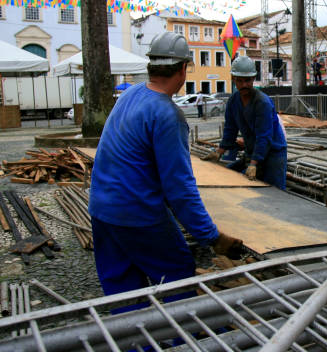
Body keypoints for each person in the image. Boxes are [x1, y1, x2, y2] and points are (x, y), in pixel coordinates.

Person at [88, 32, 242, 312]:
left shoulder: (131, 94)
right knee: (176, 272)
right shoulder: (167, 115)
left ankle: (134, 340)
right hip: (137, 213)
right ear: (183, 69)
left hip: (101, 208)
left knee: (122, 285)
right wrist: (212, 237)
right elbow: (179, 190)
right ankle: (180, 340)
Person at [202, 56, 287, 190]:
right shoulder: (233, 101)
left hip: (273, 153)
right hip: (252, 150)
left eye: (247, 80)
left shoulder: (262, 103)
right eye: (239, 81)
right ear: (233, 79)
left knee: (274, 192)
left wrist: (253, 164)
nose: (244, 85)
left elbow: (264, 137)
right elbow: (230, 130)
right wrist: (219, 151)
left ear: (253, 79)